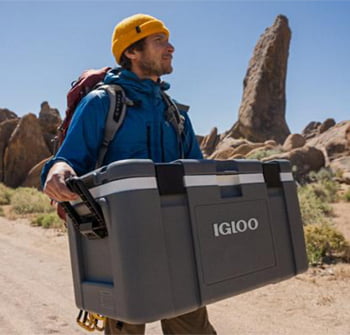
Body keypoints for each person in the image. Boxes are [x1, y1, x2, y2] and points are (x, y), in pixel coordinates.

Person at [41, 13, 217, 335]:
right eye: (159, 41)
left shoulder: (176, 114)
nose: (171, 48)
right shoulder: (102, 103)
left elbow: (197, 176)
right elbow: (67, 160)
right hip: (121, 251)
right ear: (131, 52)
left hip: (179, 248)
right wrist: (58, 170)